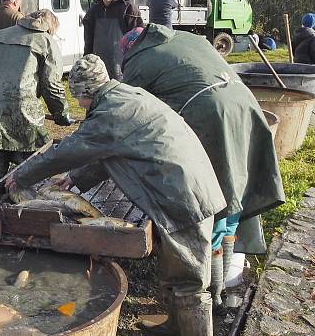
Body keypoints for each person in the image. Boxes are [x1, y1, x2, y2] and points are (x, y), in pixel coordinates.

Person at [5, 54, 225, 336]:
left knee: (190, 282)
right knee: (176, 267)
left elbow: (70, 148)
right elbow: (109, 149)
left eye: (77, 95)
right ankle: (175, 326)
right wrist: (76, 179)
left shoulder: (109, 114)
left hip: (183, 197)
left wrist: (22, 176)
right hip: (183, 183)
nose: (78, 101)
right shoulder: (125, 96)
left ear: (85, 92)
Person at [121, 24, 285, 310]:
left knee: (210, 204)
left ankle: (203, 299)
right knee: (234, 194)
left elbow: (135, 117)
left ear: (129, 49)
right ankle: (220, 293)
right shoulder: (186, 38)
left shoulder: (137, 61)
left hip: (210, 115)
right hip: (246, 104)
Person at [0, 9, 72, 183]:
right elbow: (52, 85)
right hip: (22, 109)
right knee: (31, 160)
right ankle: (24, 197)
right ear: (50, 28)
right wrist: (61, 113)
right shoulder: (47, 43)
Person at [82, 0, 143, 80]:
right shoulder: (93, 10)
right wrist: (87, 62)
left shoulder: (128, 8)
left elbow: (138, 39)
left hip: (123, 67)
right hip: (99, 67)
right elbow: (88, 41)